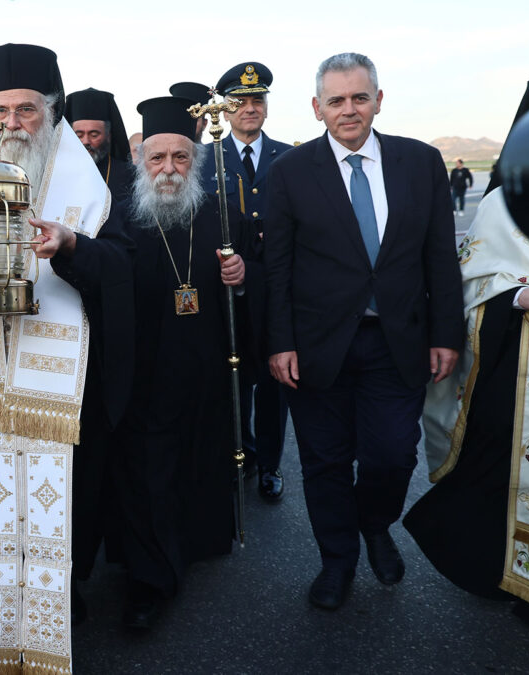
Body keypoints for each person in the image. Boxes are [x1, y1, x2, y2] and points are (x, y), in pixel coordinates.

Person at [0, 43, 134, 674]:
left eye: (27, 110)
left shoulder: (92, 189)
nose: (12, 123)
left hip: (58, 393)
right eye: (1, 110)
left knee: (50, 521)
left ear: (51, 112)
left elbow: (120, 276)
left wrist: (69, 244)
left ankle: (40, 642)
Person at [264, 52, 463, 610]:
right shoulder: (290, 173)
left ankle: (375, 522)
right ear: (316, 108)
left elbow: (439, 257)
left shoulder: (420, 162)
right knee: (324, 462)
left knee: (392, 455)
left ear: (378, 99)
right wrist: (280, 342)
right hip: (315, 346)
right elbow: (277, 266)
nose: (348, 110)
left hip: (397, 340)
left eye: (358, 97)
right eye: (336, 101)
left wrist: (446, 332)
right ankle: (337, 561)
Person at [404, 69, 529, 645]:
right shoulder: (508, 203)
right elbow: (465, 280)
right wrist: (521, 295)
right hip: (525, 369)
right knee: (516, 477)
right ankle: (527, 584)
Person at [112, 95, 251, 630]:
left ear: (194, 161)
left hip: (207, 368)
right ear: (141, 162)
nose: (169, 169)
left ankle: (195, 544)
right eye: (157, 158)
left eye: (180, 158)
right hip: (145, 372)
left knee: (198, 463)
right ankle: (148, 579)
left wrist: (242, 277)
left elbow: (252, 289)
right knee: (149, 473)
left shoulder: (221, 214)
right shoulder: (120, 218)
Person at [198, 62, 294, 502]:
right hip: (227, 288)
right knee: (234, 380)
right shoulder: (204, 159)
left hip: (274, 286)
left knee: (275, 383)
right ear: (226, 108)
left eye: (258, 101)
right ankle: (245, 453)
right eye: (240, 102)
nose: (250, 109)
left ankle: (272, 465)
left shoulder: (291, 158)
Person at [64, 87, 135, 201]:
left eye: (94, 135)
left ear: (108, 136)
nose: (86, 141)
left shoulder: (129, 176)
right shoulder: (57, 173)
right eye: (79, 135)